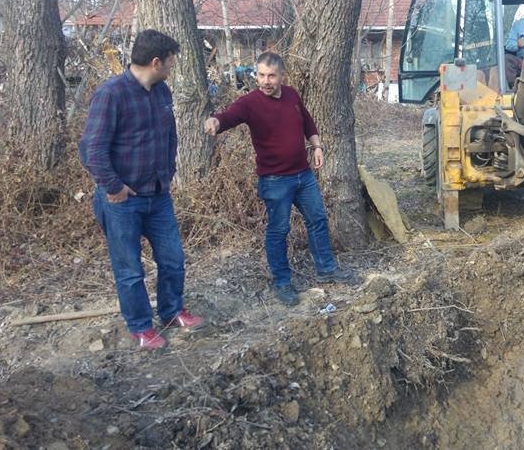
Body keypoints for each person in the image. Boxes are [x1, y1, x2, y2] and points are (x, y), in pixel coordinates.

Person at [79, 29, 206, 350]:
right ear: (155, 61)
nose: (172, 67)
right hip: (122, 201)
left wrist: (169, 173)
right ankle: (140, 328)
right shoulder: (111, 94)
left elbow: (170, 137)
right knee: (130, 270)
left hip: (158, 195)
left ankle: (172, 311)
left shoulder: (162, 92)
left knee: (173, 259)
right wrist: (114, 186)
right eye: (170, 62)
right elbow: (92, 149)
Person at [203, 52, 358, 306]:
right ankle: (282, 283)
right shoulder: (250, 102)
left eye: (271, 76)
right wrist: (215, 121)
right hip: (275, 181)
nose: (265, 81)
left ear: (281, 76)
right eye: (261, 75)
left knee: (317, 219)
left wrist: (317, 146)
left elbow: (307, 122)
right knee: (278, 231)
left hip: (303, 175)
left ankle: (327, 269)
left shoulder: (292, 96)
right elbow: (229, 115)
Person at [504, 5, 524, 88]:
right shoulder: (518, 24)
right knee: (507, 59)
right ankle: (513, 88)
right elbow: (509, 45)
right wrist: (517, 45)